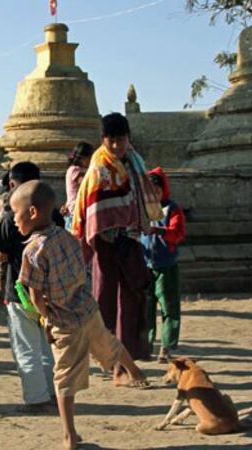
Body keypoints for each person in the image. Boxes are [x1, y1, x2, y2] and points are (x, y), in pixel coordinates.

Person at [14, 180, 148, 450]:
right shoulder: (67, 237)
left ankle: (69, 436)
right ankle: (134, 371)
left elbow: (36, 296)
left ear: (32, 213)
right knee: (109, 344)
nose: (13, 219)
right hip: (88, 309)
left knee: (64, 380)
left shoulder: (32, 251)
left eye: (14, 213)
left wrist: (45, 320)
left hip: (65, 322)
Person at [72, 113, 156, 384]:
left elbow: (140, 195)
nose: (117, 146)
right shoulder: (99, 166)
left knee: (133, 297)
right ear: (103, 140)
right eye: (112, 141)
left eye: (121, 140)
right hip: (106, 241)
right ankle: (112, 364)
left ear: (128, 138)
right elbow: (94, 209)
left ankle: (128, 358)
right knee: (106, 297)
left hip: (130, 238)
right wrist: (111, 232)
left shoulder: (133, 161)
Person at [0, 162, 64, 412]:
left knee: (26, 347)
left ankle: (36, 398)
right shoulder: (54, 215)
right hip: (49, 290)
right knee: (46, 345)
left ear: (12, 186)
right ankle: (51, 393)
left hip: (19, 290)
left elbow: (1, 256)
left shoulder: (11, 218)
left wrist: (1, 282)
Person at [140, 168, 186, 363]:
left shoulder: (172, 208)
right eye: (150, 192)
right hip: (145, 264)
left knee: (168, 306)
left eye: (157, 191)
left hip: (166, 265)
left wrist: (158, 230)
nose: (154, 196)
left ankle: (166, 346)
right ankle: (147, 344)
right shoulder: (141, 208)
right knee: (146, 308)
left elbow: (177, 232)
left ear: (163, 190)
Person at [61, 142, 94, 230]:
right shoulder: (75, 170)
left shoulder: (80, 169)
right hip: (75, 211)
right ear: (82, 158)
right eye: (91, 158)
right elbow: (85, 183)